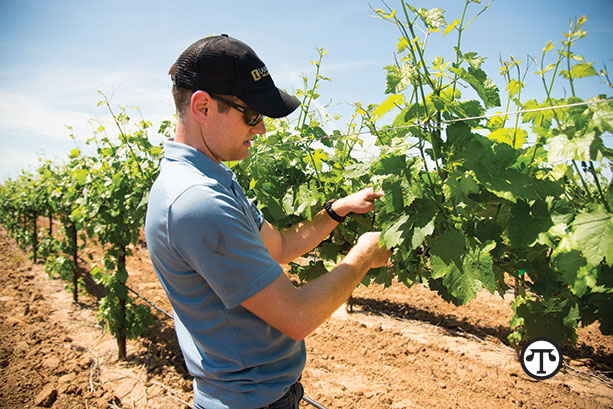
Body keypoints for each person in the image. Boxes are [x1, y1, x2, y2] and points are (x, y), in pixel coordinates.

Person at [144, 34, 391, 409]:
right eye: (252, 115)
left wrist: (337, 210)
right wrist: (362, 257)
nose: (260, 129)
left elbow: (279, 246)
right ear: (203, 106)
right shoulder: (197, 202)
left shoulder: (212, 180)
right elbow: (297, 316)